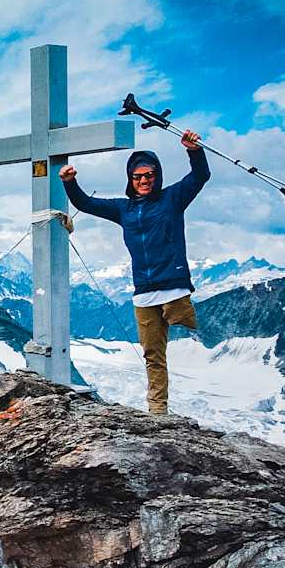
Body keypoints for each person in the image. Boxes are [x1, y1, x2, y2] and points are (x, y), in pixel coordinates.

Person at [59, 130, 210, 415]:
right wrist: (70, 182)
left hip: (174, 286)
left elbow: (199, 177)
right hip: (144, 292)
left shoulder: (173, 198)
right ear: (130, 179)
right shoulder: (123, 208)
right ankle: (157, 411)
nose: (143, 181)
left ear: (158, 175)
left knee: (199, 336)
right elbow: (85, 204)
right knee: (153, 356)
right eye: (137, 176)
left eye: (149, 175)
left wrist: (193, 150)